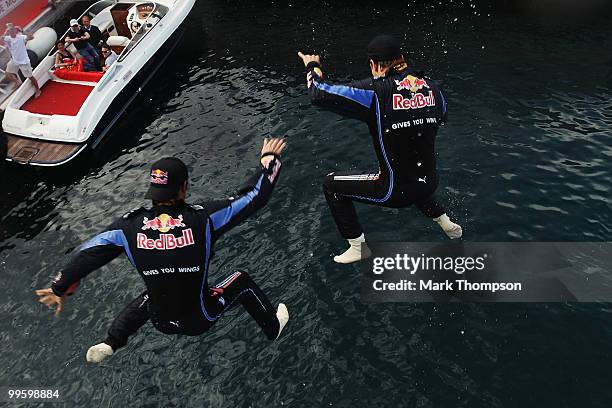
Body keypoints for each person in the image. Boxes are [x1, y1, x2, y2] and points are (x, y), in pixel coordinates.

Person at [35, 138, 290, 363]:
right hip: (201, 317)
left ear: (152, 191)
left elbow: (88, 254)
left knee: (154, 293)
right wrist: (269, 160)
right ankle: (273, 327)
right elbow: (255, 197)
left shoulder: (127, 227)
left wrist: (60, 287)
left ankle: (111, 343)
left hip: (162, 321)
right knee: (241, 281)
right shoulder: (204, 219)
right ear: (184, 188)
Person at [298, 35, 462, 264]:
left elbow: (318, 93)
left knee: (331, 185)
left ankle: (357, 246)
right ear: (402, 58)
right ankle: (443, 220)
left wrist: (312, 65)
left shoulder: (375, 92)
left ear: (373, 65)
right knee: (413, 171)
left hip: (393, 191)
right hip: (429, 184)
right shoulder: (433, 89)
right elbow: (439, 116)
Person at [0, 23, 41, 97]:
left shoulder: (21, 37)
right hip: (14, 60)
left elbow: (32, 37)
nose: (11, 31)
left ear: (16, 30)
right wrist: (6, 31)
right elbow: (2, 38)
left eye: (12, 30)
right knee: (7, 73)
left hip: (24, 62)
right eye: (10, 30)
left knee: (30, 77)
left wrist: (22, 30)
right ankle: (17, 81)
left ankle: (38, 89)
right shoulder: (8, 38)